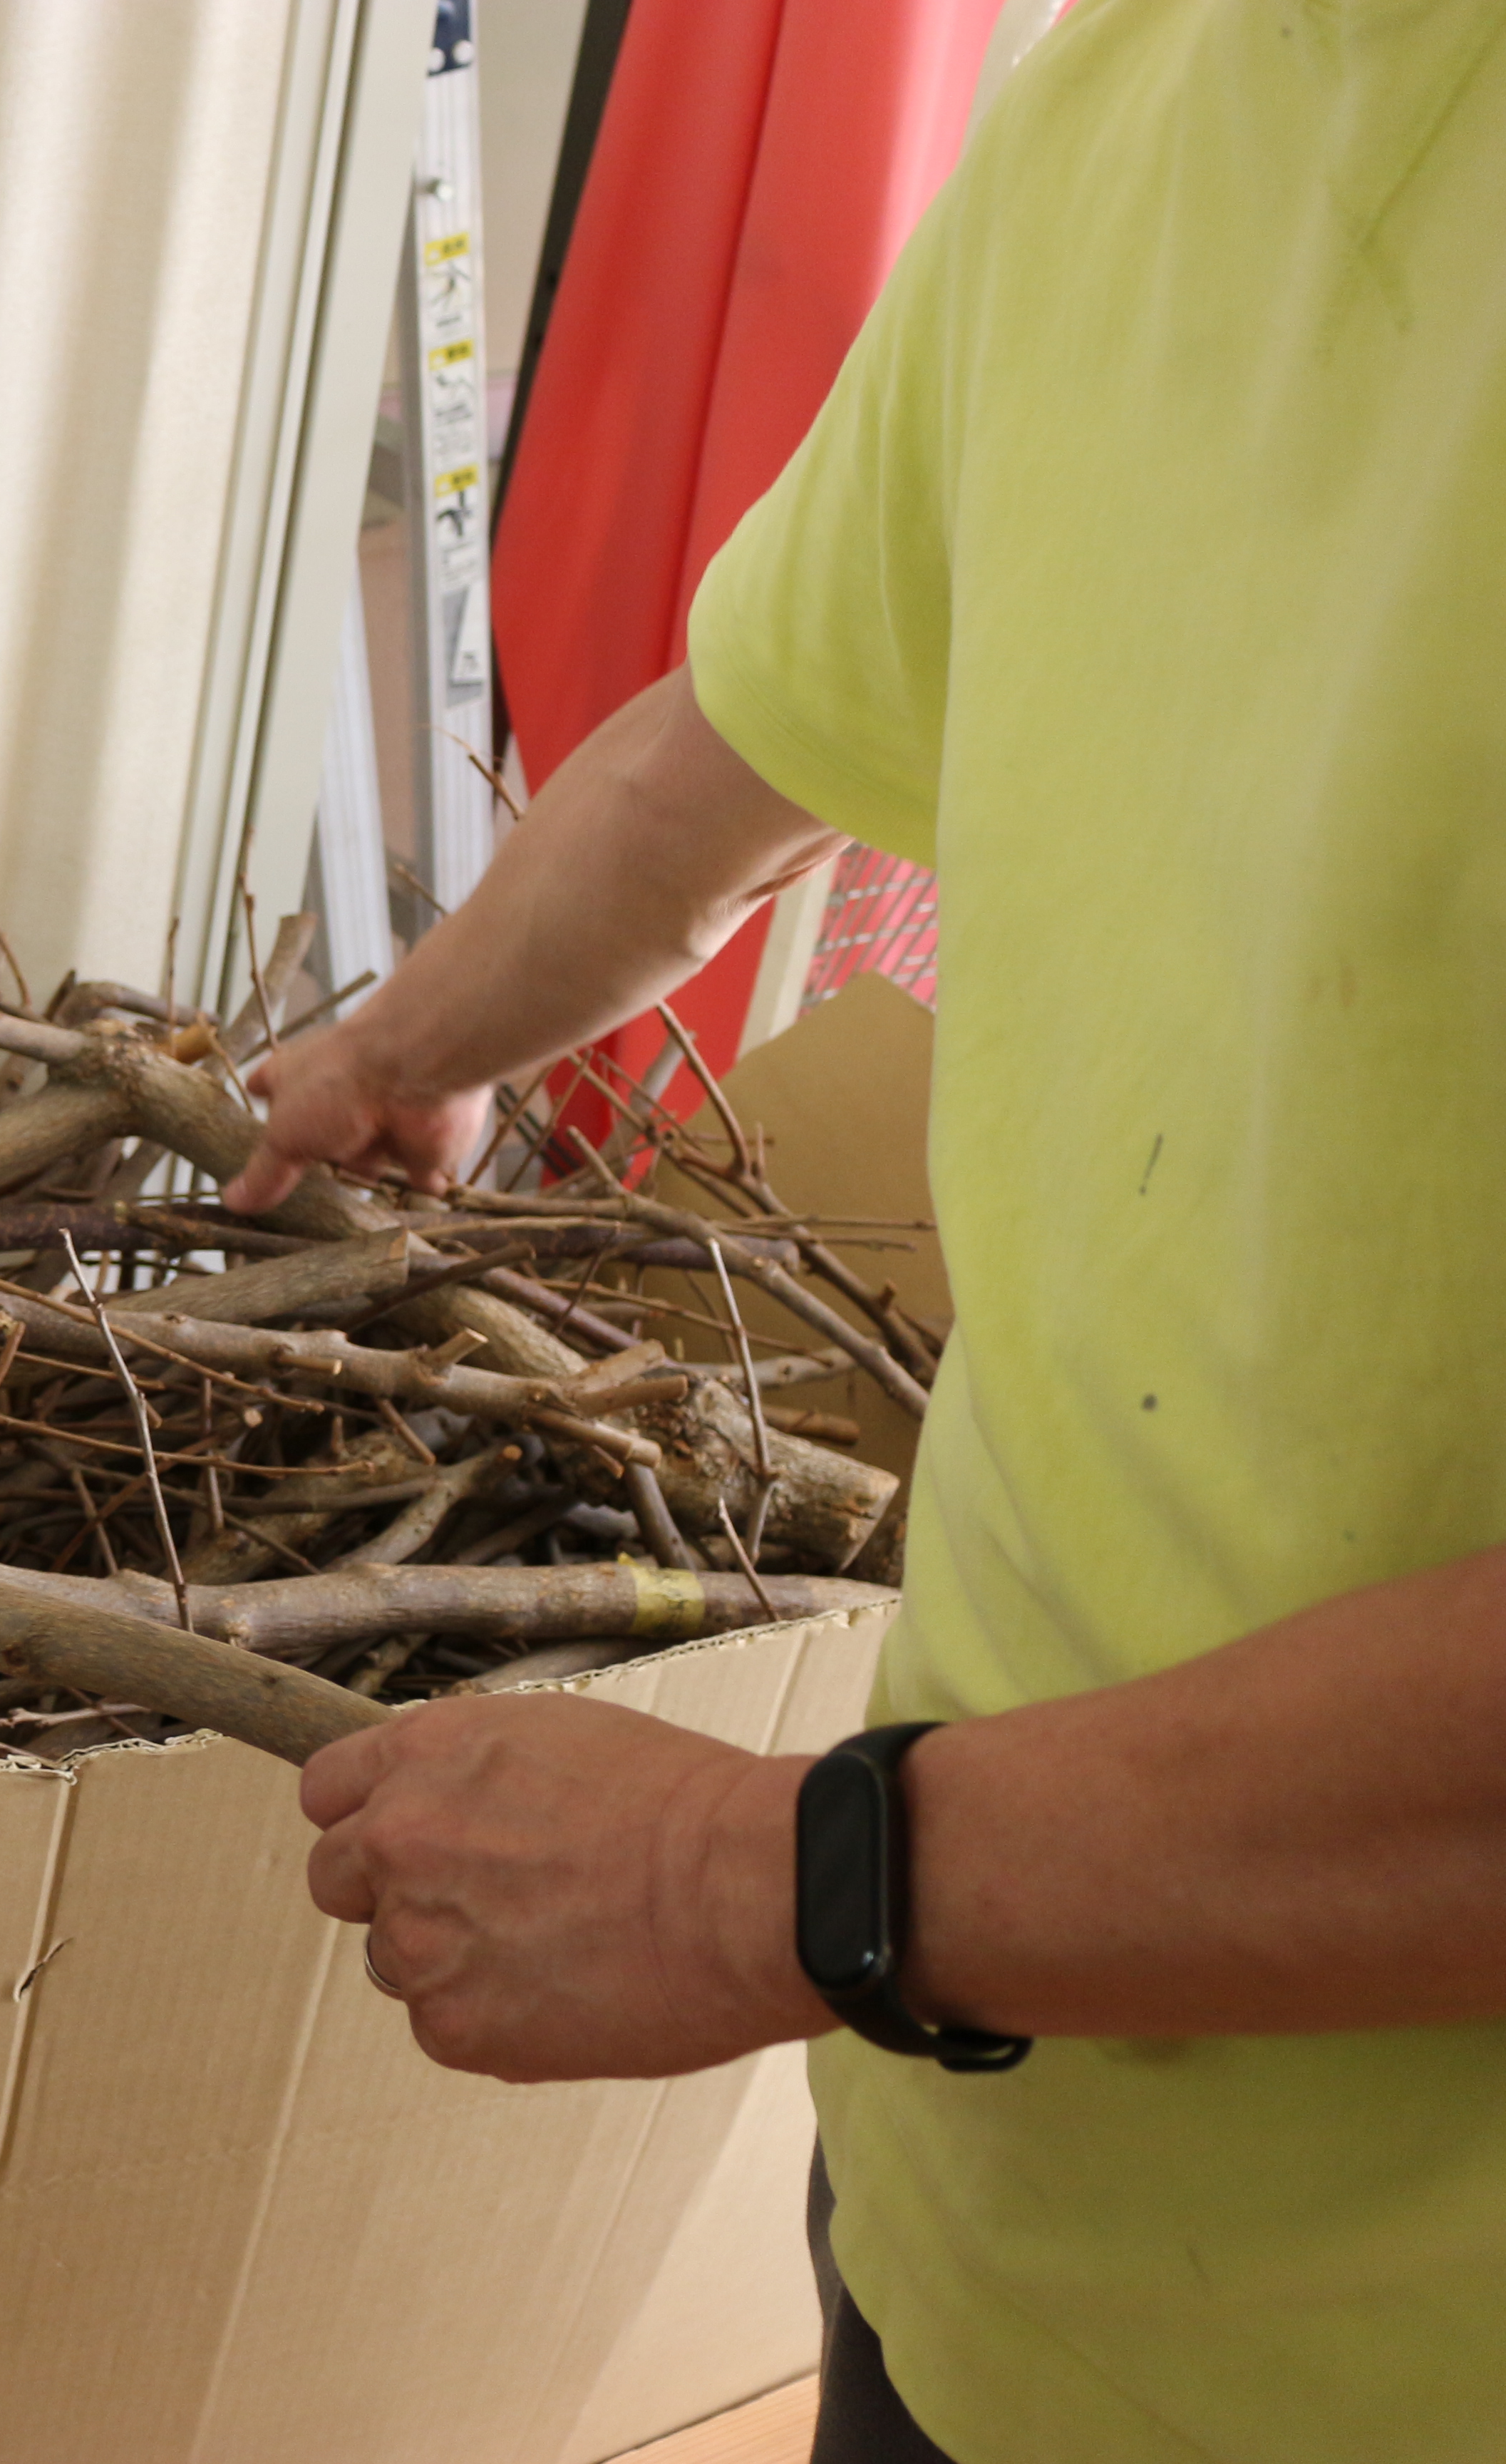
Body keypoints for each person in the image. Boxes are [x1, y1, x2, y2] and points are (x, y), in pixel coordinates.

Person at [218, 7, 1506, 2460]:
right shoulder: (1133, 98)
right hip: (972, 2183)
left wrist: (764, 1883)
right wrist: (405, 1047)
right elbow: (729, 757)